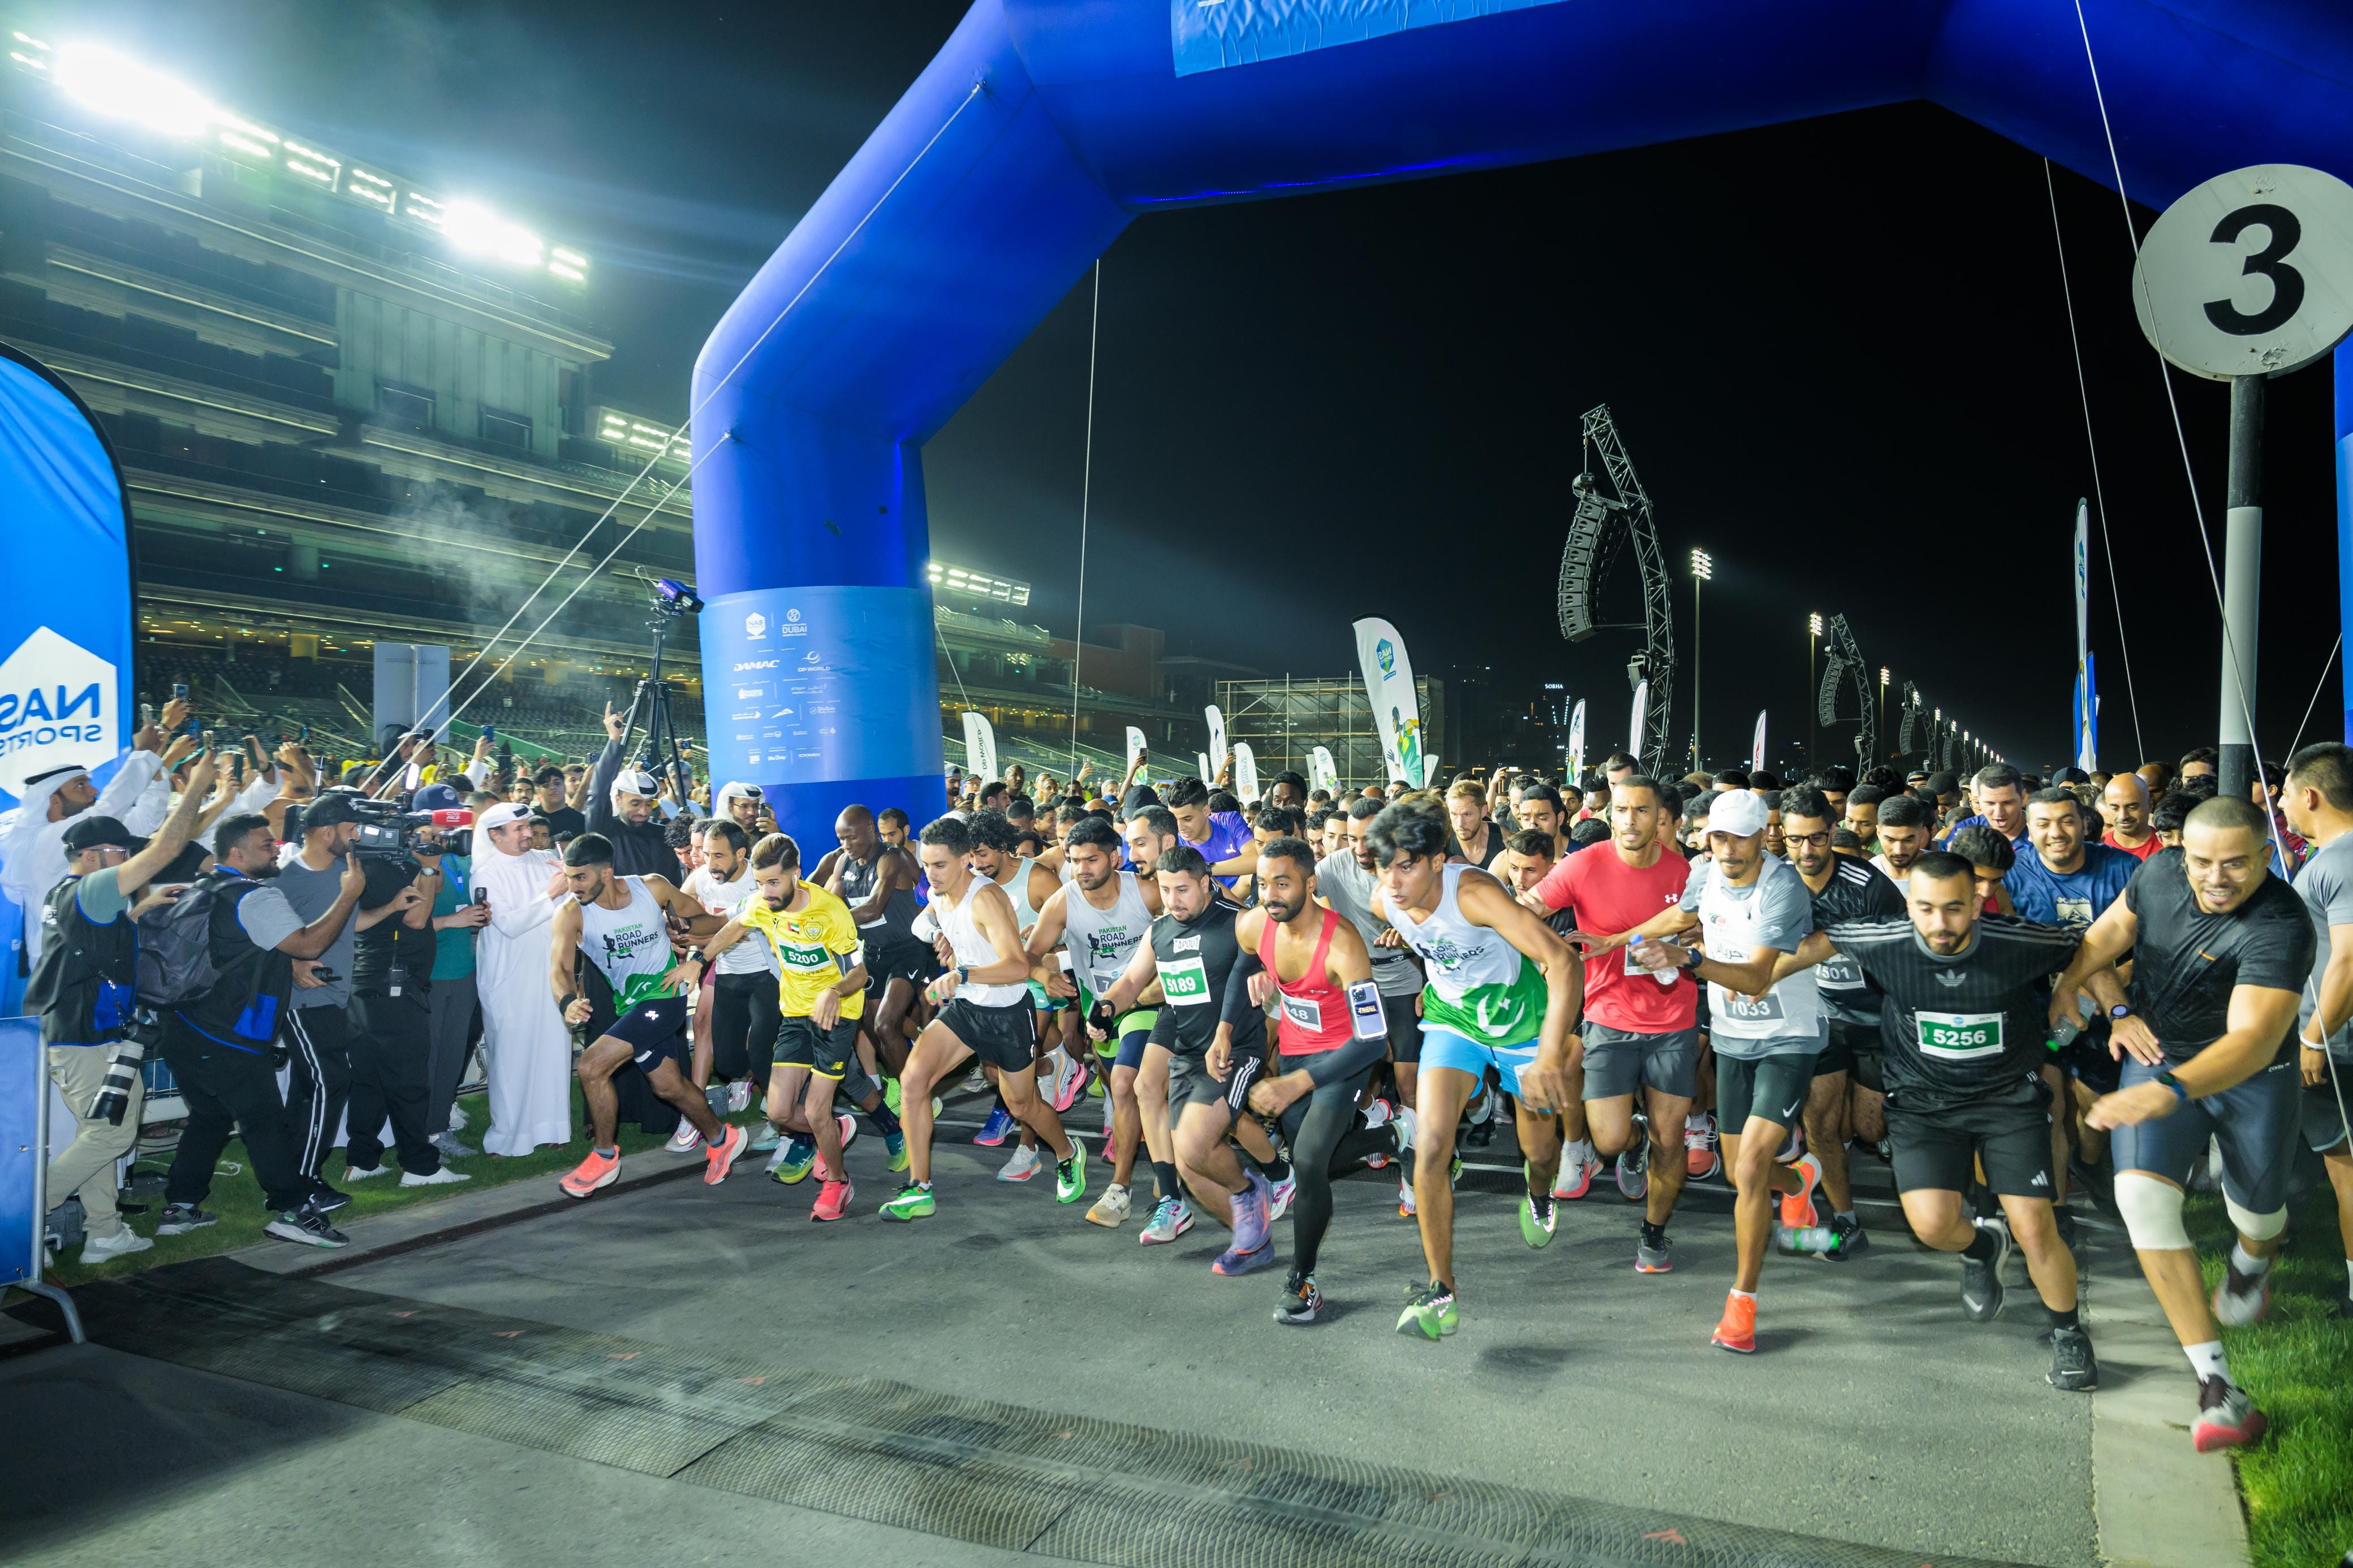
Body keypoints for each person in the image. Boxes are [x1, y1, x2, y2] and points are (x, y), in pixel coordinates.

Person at [2051, 797, 2315, 1451]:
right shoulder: (2159, 872)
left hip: (2253, 1074)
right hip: (2163, 1054)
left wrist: (2168, 1092)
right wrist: (2075, 985)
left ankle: (2250, 1265)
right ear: (2181, 853)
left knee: (2258, 1216)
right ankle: (2217, 1388)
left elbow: (2251, 1040)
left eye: (2235, 864)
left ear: (2265, 855)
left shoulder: (2280, 923)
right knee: (2139, 1199)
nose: (2214, 878)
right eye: (2201, 862)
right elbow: (2105, 938)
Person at [1818, 852, 2096, 1390]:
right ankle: (1982, 1247)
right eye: (1925, 908)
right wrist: (1724, 967)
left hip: (2008, 1100)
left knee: (2034, 1224)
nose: (1940, 923)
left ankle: (2069, 1333)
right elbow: (1796, 949)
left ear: (1975, 903)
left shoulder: (2017, 941)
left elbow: (2092, 946)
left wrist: (2077, 989)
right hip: (1923, 1104)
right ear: (1909, 906)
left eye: (1953, 908)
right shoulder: (1881, 939)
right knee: (1931, 1226)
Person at [1624, 788, 1826, 1354]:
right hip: (1734, 1040)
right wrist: (1617, 938)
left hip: (1788, 1036)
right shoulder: (1703, 872)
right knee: (1741, 1175)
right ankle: (1800, 1180)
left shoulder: (1782, 886)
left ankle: (1741, 1304)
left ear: (1763, 836)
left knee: (1753, 1165)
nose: (1728, 848)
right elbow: (1681, 915)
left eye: (1739, 837)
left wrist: (1688, 958)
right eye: (1718, 837)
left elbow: (1757, 977)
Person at [1371, 798, 1581, 1340]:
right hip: (1454, 1023)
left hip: (1521, 1023)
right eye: (1384, 867)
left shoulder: (1475, 894)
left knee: (1540, 1153)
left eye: (1406, 866)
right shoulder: (1385, 899)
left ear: (1437, 861)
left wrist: (1550, 1053)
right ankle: (1441, 1290)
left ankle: (1540, 1193)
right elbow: (1433, 942)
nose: (1392, 882)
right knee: (1431, 1145)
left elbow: (1564, 962)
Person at [27, 752, 218, 1261]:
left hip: (75, 1031)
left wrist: (137, 912)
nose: (130, 859)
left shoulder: (72, 892)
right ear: (92, 856)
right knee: (112, 1135)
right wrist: (197, 787)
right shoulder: (91, 887)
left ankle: (104, 1232)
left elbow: (92, 947)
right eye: (121, 852)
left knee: (99, 1133)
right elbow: (167, 848)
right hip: (86, 1036)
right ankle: (24, 1217)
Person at [155, 813, 367, 1247]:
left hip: (182, 1026)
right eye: (265, 844)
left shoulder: (204, 887)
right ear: (237, 852)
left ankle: (180, 1206)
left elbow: (241, 951)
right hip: (229, 1034)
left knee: (211, 1116)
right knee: (265, 1123)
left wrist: (289, 963)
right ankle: (293, 1211)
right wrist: (348, 894)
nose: (276, 849)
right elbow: (309, 943)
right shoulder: (254, 897)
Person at [667, 833, 897, 1222]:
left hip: (837, 1014)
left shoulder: (829, 911)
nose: (767, 892)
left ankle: (838, 1182)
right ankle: (834, 1131)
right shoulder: (763, 904)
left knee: (817, 1109)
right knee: (778, 1110)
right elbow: (733, 927)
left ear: (796, 873)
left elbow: (859, 974)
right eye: (760, 883)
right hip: (795, 1014)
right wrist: (698, 960)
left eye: (774, 881)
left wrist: (833, 992)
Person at [1522, 774, 1699, 1271]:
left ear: (1660, 817)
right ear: (1609, 814)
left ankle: (1654, 1231)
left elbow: (1702, 934)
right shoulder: (1583, 863)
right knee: (1609, 1140)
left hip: (1673, 1018)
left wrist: (1691, 944)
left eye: (1641, 810)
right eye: (1621, 810)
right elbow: (1531, 907)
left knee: (1672, 1137)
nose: (1630, 820)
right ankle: (1634, 1142)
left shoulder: (1684, 872)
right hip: (1608, 1016)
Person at [1091, 845, 1288, 1273]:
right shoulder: (1160, 931)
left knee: (1196, 1145)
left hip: (1235, 1050)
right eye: (1165, 890)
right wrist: (1107, 1006)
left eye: (1182, 890)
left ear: (1205, 883)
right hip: (1187, 1052)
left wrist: (1265, 974)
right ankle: (1251, 1238)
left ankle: (1251, 1189)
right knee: (1188, 1162)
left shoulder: (1238, 921)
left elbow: (1281, 959)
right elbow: (1131, 982)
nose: (1172, 900)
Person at [883, 815, 1085, 1219]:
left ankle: (1068, 1153)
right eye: (926, 864)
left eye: (940, 865)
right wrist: (940, 938)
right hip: (967, 1008)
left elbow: (1017, 966)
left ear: (964, 861)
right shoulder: (939, 894)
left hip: (1009, 1013)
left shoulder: (986, 898)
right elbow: (928, 924)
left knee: (1022, 1105)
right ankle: (920, 1187)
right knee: (913, 1081)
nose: (931, 873)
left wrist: (962, 974)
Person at [1227, 836, 1391, 1320]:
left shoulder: (1343, 943)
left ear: (1310, 882)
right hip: (1297, 1054)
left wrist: (1298, 1083)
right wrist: (1225, 1027)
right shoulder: (1257, 923)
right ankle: (1392, 1135)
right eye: (1262, 884)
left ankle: (1302, 1282)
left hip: (1344, 1056)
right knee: (1311, 1161)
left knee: (1310, 1158)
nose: (1270, 894)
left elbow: (1373, 1040)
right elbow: (1242, 962)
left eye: (1282, 883)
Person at [548, 833, 744, 1197]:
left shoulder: (652, 888)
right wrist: (567, 1002)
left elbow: (707, 921)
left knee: (591, 1066)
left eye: (581, 877)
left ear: (606, 872)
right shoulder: (570, 913)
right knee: (667, 1086)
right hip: (630, 1004)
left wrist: (686, 929)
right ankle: (722, 1138)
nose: (573, 886)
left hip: (666, 995)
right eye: (569, 877)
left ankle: (604, 1157)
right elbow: (559, 968)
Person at [1779, 787, 1904, 1260]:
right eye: (1795, 839)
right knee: (1819, 1122)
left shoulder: (1869, 885)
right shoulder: (1776, 881)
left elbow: (1904, 954)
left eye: (1816, 838)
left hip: (1876, 1018)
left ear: (1833, 831)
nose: (1806, 850)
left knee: (1870, 1128)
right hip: (1819, 1017)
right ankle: (1846, 1221)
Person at [1026, 814, 1163, 1229]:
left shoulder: (1146, 893)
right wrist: (1045, 973)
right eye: (1074, 860)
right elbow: (1029, 955)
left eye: (1091, 860)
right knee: (1126, 1090)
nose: (1081, 869)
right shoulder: (1064, 901)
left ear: (1114, 858)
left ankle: (1120, 1189)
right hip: (1097, 1009)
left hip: (1144, 1001)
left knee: (1124, 1083)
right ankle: (1167, 1158)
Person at [2, 697, 183, 964]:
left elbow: (147, 819)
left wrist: (154, 759)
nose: (93, 791)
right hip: (63, 968)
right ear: (53, 800)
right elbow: (108, 809)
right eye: (80, 785)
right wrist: (144, 753)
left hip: (104, 955)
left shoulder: (85, 835)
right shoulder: (38, 842)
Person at [1318, 797, 1429, 1215]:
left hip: (1404, 978)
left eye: (1368, 838)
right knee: (1354, 1074)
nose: (1360, 848)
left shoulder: (1408, 866)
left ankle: (1413, 1176)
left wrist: (1410, 934)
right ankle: (1376, 1113)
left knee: (1408, 1082)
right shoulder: (1334, 866)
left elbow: (1439, 922)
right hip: (1360, 982)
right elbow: (1294, 892)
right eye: (1352, 838)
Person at [2278, 741, 2353, 1317]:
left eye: (2283, 794)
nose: (2279, 805)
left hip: (2337, 1047)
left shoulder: (2339, 861)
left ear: (2310, 795)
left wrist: (2312, 1039)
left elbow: (2348, 960)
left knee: (2345, 1169)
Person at [273, 793, 367, 1207]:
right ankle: (305, 1182)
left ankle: (290, 1177)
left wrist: (390, 908)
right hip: (303, 1000)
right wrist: (292, 961)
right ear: (327, 832)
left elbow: (349, 922)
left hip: (335, 996)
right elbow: (265, 936)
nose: (357, 836)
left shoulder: (347, 874)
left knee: (307, 1090)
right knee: (331, 1081)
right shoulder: (285, 880)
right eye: (351, 829)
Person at [473, 802, 575, 1155]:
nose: (529, 833)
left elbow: (570, 904)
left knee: (553, 1050)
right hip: (508, 977)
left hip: (549, 971)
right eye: (519, 829)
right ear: (495, 835)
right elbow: (509, 924)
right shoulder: (485, 873)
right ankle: (506, 1136)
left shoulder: (544, 860)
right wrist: (552, 893)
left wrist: (570, 881)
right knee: (510, 1056)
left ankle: (553, 1129)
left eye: (528, 826)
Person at [680, 818, 778, 1146]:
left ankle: (782, 1122)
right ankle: (776, 1078)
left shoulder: (760, 879)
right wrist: (675, 925)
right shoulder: (701, 878)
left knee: (761, 1051)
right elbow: (676, 905)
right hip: (727, 975)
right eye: (707, 854)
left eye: (718, 856)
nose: (710, 863)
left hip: (766, 975)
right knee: (727, 1063)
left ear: (740, 854)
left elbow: (735, 924)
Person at [419, 818, 490, 1157]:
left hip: (464, 973)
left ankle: (439, 1126)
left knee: (451, 1057)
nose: (440, 840)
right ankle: (422, 1131)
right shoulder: (414, 867)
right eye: (430, 834)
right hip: (429, 976)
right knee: (429, 1058)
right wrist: (452, 920)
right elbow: (405, 924)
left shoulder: (466, 862)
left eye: (442, 834)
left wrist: (483, 915)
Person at [585, 702, 683, 882]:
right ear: (618, 799)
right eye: (636, 803)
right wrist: (614, 741)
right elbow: (598, 793)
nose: (644, 812)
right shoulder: (604, 831)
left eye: (649, 804)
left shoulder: (663, 835)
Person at [2102, 772, 2161, 861]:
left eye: (2132, 808)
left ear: (2150, 804)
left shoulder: (2167, 846)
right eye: (2115, 808)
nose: (2123, 816)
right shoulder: (2097, 849)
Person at [531, 764, 588, 842]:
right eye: (546, 785)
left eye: (557, 783)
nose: (553, 788)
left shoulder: (580, 821)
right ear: (539, 791)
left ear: (564, 786)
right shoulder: (529, 817)